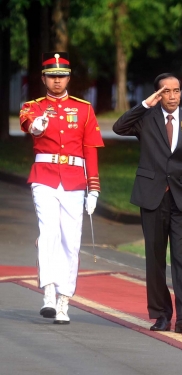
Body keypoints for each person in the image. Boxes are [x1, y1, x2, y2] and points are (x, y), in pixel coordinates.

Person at [112, 73, 182, 334]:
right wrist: (145, 104)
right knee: (155, 259)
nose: (173, 96)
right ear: (158, 94)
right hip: (152, 197)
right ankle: (161, 314)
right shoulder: (145, 119)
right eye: (166, 91)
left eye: (177, 91)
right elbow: (119, 127)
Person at [19, 52, 104, 324]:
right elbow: (27, 124)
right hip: (44, 177)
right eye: (52, 76)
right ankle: (48, 293)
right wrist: (36, 127)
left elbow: (90, 150)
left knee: (71, 240)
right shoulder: (33, 106)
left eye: (62, 76)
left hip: (74, 180)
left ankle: (65, 300)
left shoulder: (84, 109)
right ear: (44, 78)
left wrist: (94, 189)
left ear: (69, 78)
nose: (57, 81)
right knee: (48, 234)